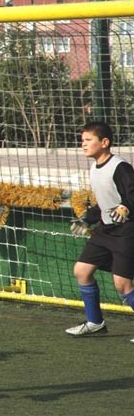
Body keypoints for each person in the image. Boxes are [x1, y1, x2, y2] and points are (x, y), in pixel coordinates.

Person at [65, 121, 134, 340]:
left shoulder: (120, 167)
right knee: (82, 271)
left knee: (122, 284)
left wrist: (126, 207)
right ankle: (95, 323)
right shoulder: (94, 167)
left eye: (88, 140)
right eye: (82, 140)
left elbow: (131, 196)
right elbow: (104, 204)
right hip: (105, 230)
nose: (83, 145)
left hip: (126, 231)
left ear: (104, 143)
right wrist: (87, 219)